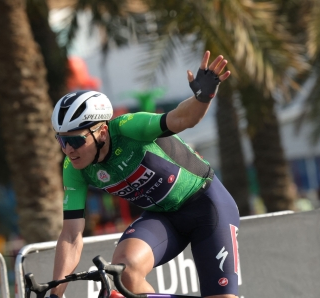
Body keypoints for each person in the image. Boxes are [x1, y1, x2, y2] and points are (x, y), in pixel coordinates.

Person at [49, 51, 240, 298]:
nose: (68, 150)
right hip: (163, 218)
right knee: (125, 273)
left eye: (75, 140)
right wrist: (55, 292)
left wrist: (202, 97)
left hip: (207, 207)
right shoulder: (74, 168)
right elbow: (71, 235)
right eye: (61, 141)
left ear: (103, 132)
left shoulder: (129, 128)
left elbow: (182, 118)